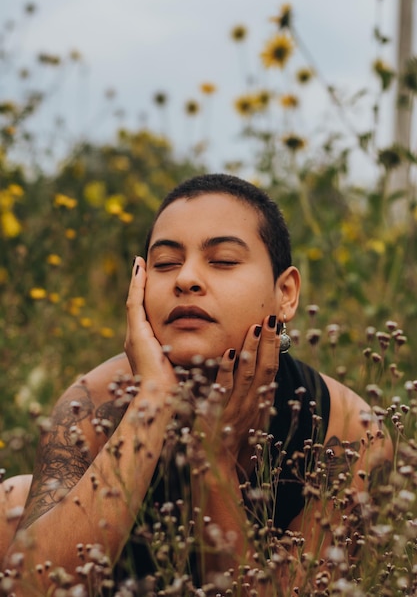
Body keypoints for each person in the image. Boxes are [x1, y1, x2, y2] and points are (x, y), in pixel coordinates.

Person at [1, 174, 392, 596]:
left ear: (286, 293)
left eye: (222, 260)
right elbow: (30, 588)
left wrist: (214, 462)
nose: (186, 278)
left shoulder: (349, 432)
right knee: (12, 503)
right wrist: (152, 400)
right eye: (165, 263)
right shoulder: (94, 404)